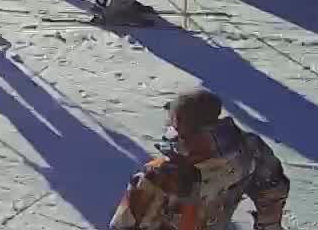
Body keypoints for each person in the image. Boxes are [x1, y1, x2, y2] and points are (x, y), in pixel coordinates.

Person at [109, 87, 289, 230]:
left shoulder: (160, 174)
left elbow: (123, 224)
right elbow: (274, 188)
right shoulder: (249, 148)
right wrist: (269, 225)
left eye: (174, 123)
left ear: (179, 123)